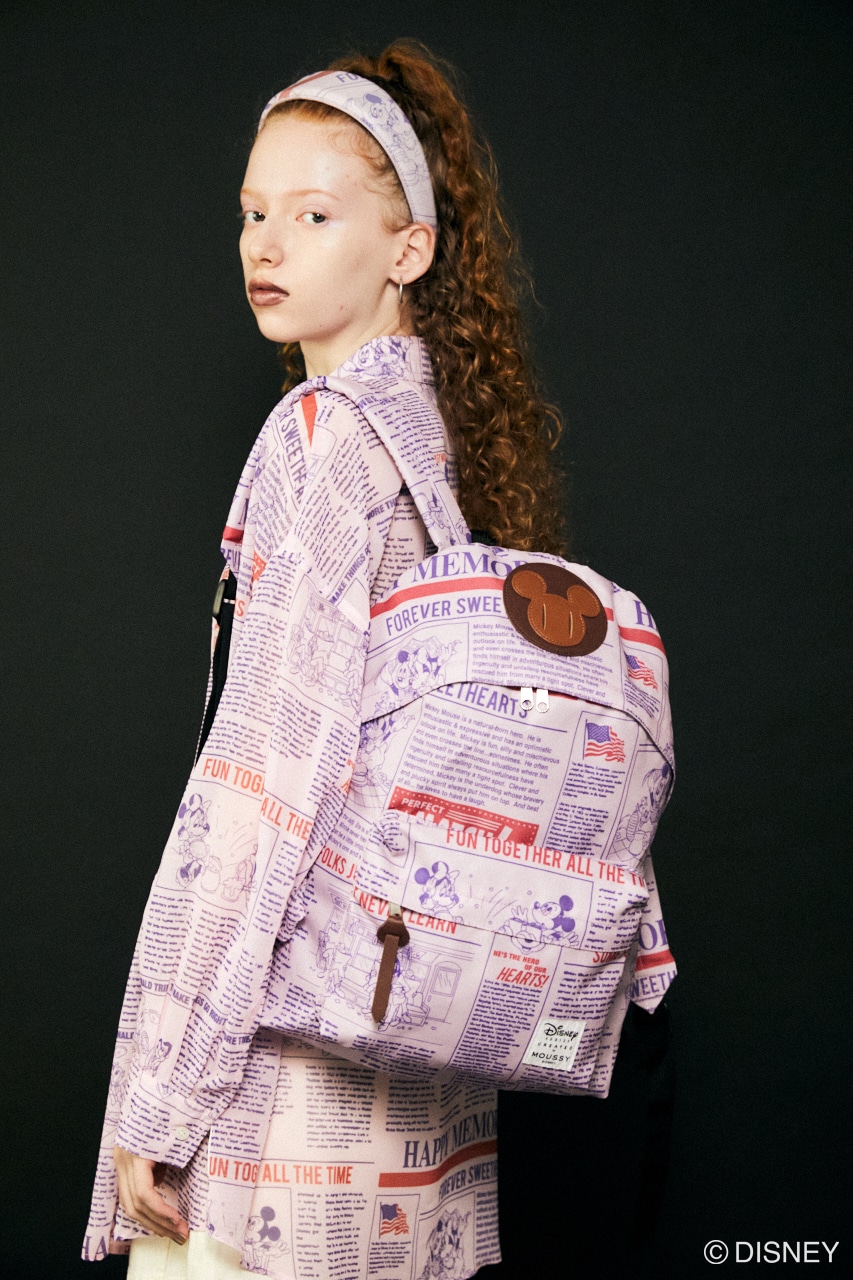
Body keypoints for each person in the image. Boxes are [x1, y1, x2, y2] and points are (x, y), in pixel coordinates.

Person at [83, 41, 566, 1280]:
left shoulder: (322, 439)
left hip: (279, 1102)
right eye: (253, 212)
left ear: (408, 248)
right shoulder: (438, 444)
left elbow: (265, 793)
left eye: (312, 214)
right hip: (418, 1085)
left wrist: (163, 1093)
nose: (266, 244)